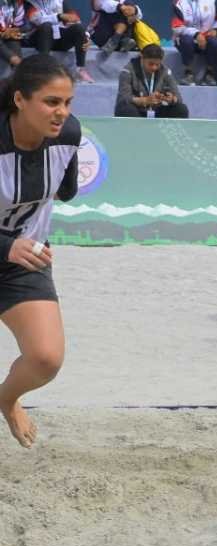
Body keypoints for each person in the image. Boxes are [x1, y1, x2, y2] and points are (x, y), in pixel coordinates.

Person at [0, 55, 79, 447]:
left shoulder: (68, 134)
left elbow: (66, 190)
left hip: (25, 261)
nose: (61, 112)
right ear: (19, 100)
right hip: (10, 250)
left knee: (45, 359)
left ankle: (6, 399)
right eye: (51, 102)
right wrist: (5, 245)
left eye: (67, 103)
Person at [21, 1, 91, 83]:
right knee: (46, 26)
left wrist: (85, 36)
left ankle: (80, 70)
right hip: (40, 39)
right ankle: (43, 69)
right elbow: (36, 19)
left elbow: (75, 19)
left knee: (78, 28)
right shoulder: (29, 3)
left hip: (59, 39)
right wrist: (59, 16)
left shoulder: (60, 1)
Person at [114, 43, 188, 118]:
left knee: (181, 109)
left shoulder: (165, 72)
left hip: (157, 110)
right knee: (125, 108)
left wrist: (172, 99)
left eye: (157, 64)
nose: (154, 68)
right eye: (151, 64)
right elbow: (124, 98)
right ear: (142, 57)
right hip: (136, 110)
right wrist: (143, 100)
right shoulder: (127, 71)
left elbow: (178, 98)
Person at [171, 0, 217, 86]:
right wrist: (196, 34)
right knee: (186, 40)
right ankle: (188, 73)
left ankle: (209, 74)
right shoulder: (179, 3)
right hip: (186, 38)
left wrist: (215, 29)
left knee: (215, 42)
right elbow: (177, 27)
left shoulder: (212, 1)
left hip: (207, 36)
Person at [0, 0, 24, 69]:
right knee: (14, 60)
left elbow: (17, 26)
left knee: (20, 64)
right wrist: (11, 57)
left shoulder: (17, 2)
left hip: (8, 34)